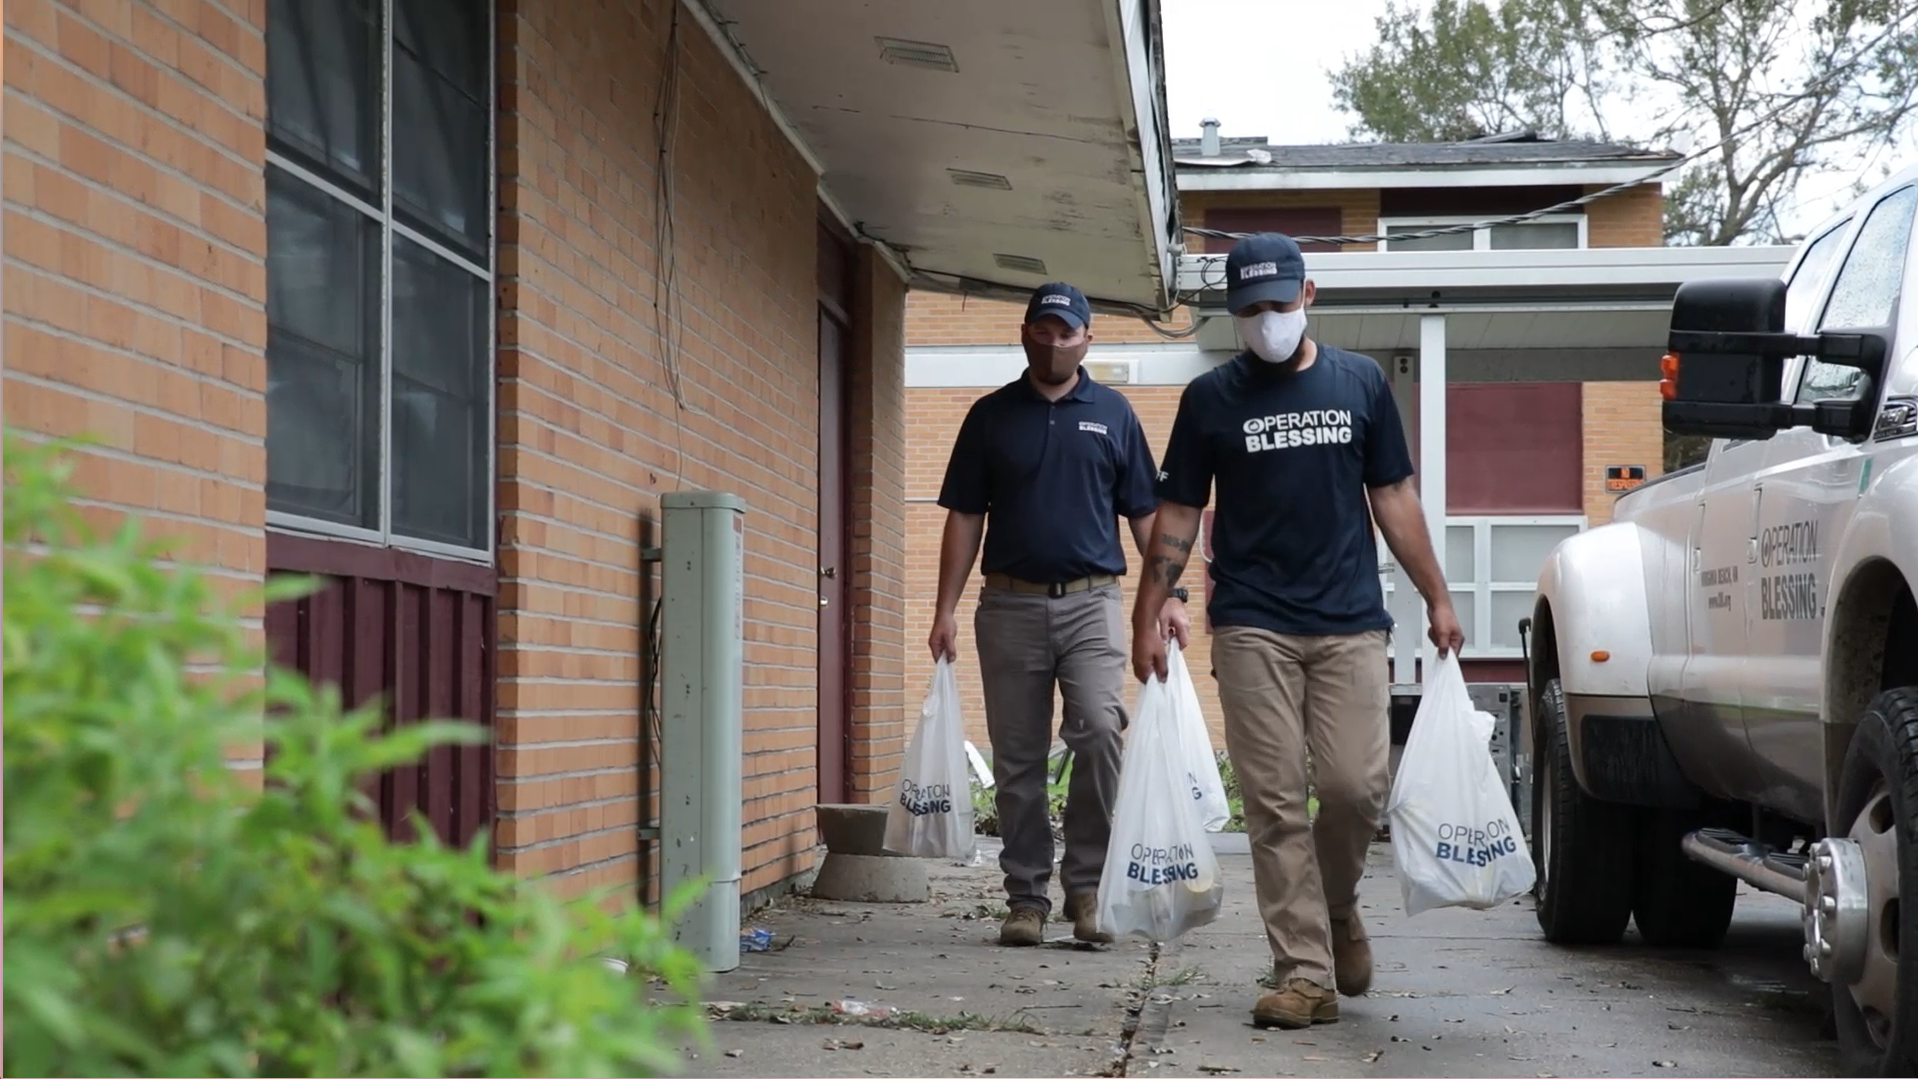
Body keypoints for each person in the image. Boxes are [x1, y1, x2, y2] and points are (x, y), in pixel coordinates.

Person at [1128, 233, 1463, 1028]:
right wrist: (1147, 610)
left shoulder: (1361, 383)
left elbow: (1394, 497)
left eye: (1278, 303)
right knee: (1275, 803)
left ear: (1307, 295)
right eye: (1250, 309)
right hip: (1250, 623)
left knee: (1355, 788)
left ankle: (1339, 907)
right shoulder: (1210, 398)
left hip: (1349, 620)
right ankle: (1304, 972)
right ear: (1234, 314)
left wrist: (1439, 599)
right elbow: (1177, 512)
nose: (1266, 320)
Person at [930, 281, 1191, 947]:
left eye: (1065, 331)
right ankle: (1025, 898)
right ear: (1024, 333)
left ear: (1087, 340)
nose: (1053, 342)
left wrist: (1170, 600)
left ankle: (1086, 887)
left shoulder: (1114, 413)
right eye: (1041, 330)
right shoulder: (990, 416)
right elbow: (965, 515)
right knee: (1017, 758)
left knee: (1101, 731)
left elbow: (1145, 514)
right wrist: (945, 610)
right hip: (1007, 605)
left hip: (1094, 603)